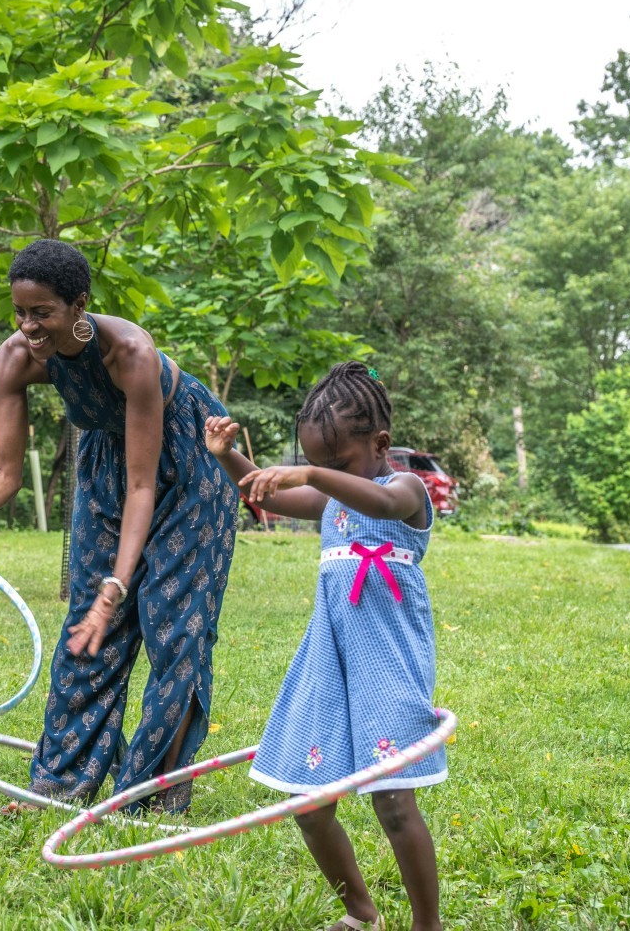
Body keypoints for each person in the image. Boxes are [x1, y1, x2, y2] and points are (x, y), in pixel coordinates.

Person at [0, 239, 237, 813]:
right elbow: (4, 474)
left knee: (176, 629)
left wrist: (116, 587)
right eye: (20, 312)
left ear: (80, 304)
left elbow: (145, 485)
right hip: (107, 460)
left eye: (42, 313)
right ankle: (58, 784)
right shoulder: (14, 360)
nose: (28, 326)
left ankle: (151, 797)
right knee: (87, 632)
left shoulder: (130, 352)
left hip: (190, 463)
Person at [204, 361, 444, 931]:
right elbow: (270, 494)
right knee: (308, 805)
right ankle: (361, 915)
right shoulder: (333, 496)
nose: (323, 474)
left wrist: (311, 474)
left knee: (392, 801)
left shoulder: (403, 489)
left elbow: (380, 506)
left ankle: (427, 926)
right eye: (316, 463)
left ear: (381, 443)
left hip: (387, 662)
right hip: (327, 658)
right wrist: (226, 457)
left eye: (336, 463)